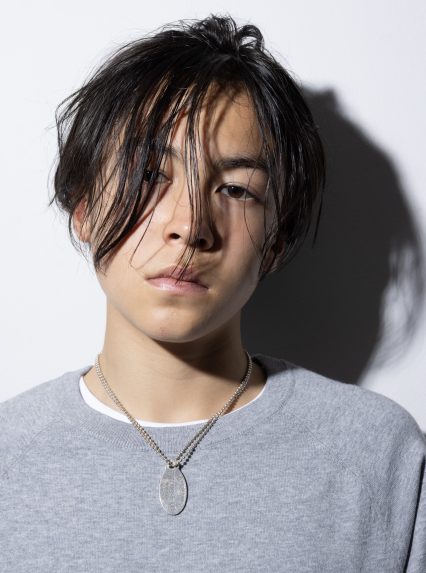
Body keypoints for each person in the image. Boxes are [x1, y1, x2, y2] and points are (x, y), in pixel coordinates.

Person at [0, 14, 424, 572]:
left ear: (276, 238)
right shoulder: (10, 457)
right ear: (83, 207)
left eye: (236, 189)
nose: (190, 225)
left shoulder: (377, 454)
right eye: (149, 175)